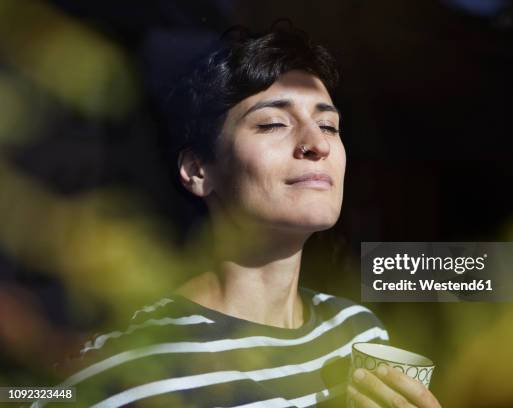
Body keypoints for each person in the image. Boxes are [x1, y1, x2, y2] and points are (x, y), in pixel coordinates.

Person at [39, 25, 441, 408]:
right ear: (198, 171)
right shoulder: (133, 368)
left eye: (329, 125)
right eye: (273, 123)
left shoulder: (359, 332)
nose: (316, 143)